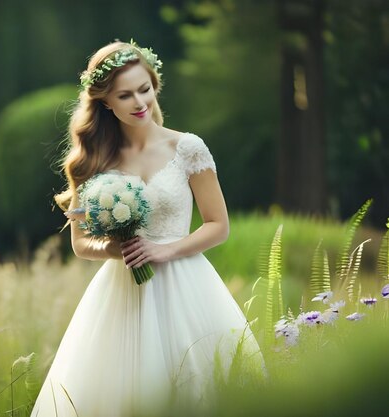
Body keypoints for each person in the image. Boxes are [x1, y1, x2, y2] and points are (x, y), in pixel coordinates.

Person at [31, 40, 262, 417]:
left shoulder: (188, 148)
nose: (139, 102)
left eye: (145, 88)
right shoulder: (94, 160)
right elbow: (80, 243)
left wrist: (164, 250)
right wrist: (115, 249)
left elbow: (218, 226)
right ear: (106, 101)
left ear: (155, 84)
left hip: (187, 285)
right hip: (121, 294)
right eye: (125, 95)